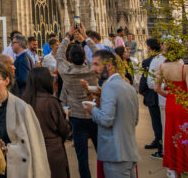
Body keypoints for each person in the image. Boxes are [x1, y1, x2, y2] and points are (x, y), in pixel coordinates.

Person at [0, 62, 51, 178]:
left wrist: (6, 149)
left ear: (6, 81)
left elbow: (35, 147)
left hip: (15, 170)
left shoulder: (23, 108)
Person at [85, 50, 140, 178]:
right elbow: (135, 120)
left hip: (115, 155)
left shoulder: (109, 87)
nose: (93, 69)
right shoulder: (129, 87)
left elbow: (105, 120)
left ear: (109, 65)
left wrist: (92, 109)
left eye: (96, 64)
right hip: (130, 152)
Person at [57, 24, 100, 178]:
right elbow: (98, 53)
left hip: (77, 117)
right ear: (84, 57)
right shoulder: (92, 71)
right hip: (94, 114)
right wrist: (85, 37)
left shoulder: (66, 72)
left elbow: (59, 56)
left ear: (70, 58)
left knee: (82, 158)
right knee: (102, 153)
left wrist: (67, 37)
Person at [155, 44, 188, 174]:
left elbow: (157, 88)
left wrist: (170, 95)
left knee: (172, 134)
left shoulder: (162, 67)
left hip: (171, 103)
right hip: (184, 104)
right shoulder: (185, 68)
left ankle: (176, 171)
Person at [23, 67, 69, 178]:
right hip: (52, 151)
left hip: (32, 150)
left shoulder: (24, 101)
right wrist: (66, 117)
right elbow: (64, 129)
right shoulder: (51, 102)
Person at [139, 38, 163, 158]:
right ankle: (158, 142)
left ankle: (160, 147)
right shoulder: (164, 59)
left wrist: (142, 91)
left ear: (149, 48)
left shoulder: (147, 61)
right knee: (162, 121)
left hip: (153, 94)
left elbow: (144, 80)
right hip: (164, 94)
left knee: (156, 122)